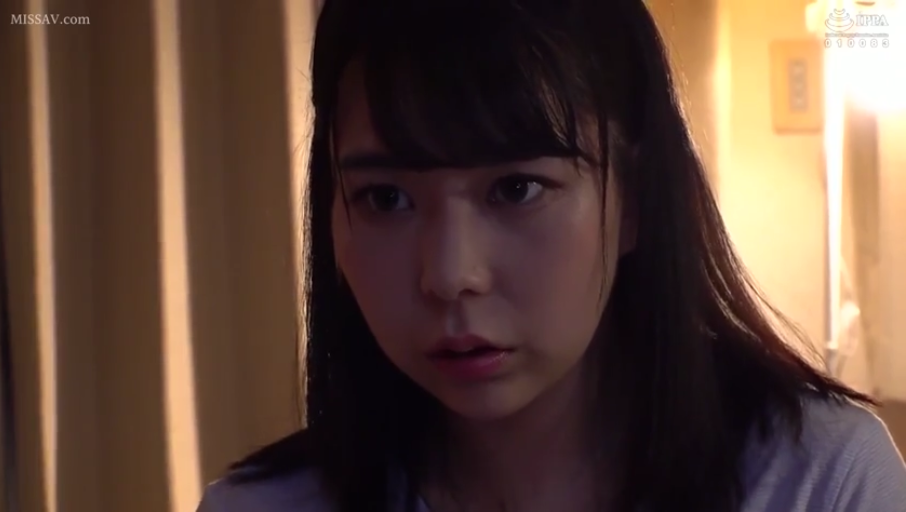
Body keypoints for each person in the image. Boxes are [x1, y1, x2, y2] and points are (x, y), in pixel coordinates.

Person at [196, 0, 906, 511]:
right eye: (386, 199)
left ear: (633, 201)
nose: (449, 275)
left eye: (516, 189)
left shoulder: (817, 480)